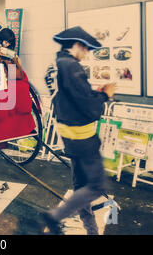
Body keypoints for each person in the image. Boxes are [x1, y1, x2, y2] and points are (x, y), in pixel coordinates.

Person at [42, 26, 116, 235]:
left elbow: (71, 98)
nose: (86, 54)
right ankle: (55, 215)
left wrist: (94, 93)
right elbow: (88, 107)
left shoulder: (54, 66)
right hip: (83, 137)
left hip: (67, 135)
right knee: (96, 185)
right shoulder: (71, 66)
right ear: (77, 45)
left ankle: (91, 230)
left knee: (80, 186)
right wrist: (105, 95)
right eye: (85, 49)